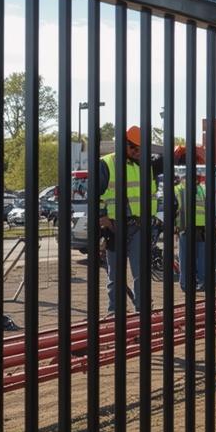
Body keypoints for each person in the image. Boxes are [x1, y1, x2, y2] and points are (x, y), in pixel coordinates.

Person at [95, 125, 152, 315]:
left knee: (141, 273)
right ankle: (115, 313)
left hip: (139, 225)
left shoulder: (145, 165)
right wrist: (103, 217)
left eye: (140, 148)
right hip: (115, 227)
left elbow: (151, 195)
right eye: (133, 148)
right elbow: (95, 194)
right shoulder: (107, 163)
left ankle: (142, 311)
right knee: (116, 275)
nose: (137, 152)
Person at [172, 146, 210, 295]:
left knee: (192, 258)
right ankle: (194, 283)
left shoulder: (188, 189)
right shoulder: (194, 189)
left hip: (193, 228)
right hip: (193, 228)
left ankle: (193, 283)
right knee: (194, 259)